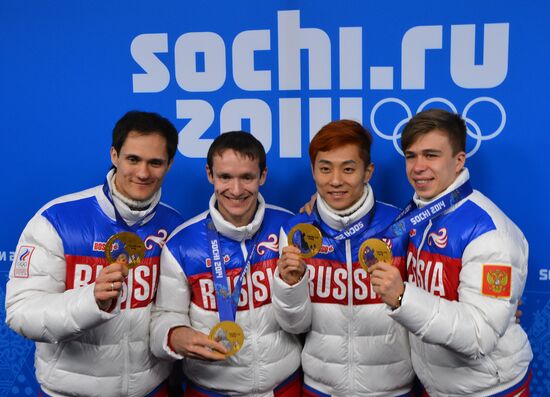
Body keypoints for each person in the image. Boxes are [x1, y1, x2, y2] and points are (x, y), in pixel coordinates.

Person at [5, 111, 184, 397]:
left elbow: (171, 313)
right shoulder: (57, 220)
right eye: (133, 159)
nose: (142, 173)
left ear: (169, 164)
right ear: (114, 155)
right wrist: (91, 300)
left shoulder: (175, 228)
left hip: (151, 390)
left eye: (155, 163)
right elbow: (21, 313)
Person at [369, 109, 533, 396]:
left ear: (459, 161)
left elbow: (479, 336)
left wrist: (402, 297)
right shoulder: (417, 216)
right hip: (438, 386)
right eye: (411, 156)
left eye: (431, 155)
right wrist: (315, 210)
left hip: (490, 389)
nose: (418, 167)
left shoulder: (490, 231)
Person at [150, 131, 302, 396]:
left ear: (262, 176)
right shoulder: (182, 243)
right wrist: (175, 335)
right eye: (225, 177)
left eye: (247, 177)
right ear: (210, 174)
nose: (236, 190)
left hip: (284, 387)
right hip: (210, 389)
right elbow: (166, 315)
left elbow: (302, 318)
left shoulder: (287, 227)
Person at [272, 120, 415, 396]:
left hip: (392, 388)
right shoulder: (296, 231)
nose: (336, 180)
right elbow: (295, 326)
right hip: (321, 388)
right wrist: (290, 286)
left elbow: (427, 303)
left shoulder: (401, 225)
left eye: (348, 169)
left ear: (368, 171)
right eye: (325, 169)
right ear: (313, 171)